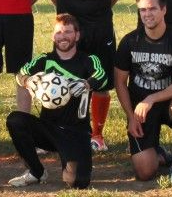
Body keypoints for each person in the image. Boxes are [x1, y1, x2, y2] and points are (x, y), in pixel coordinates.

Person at [43, 0, 125, 152]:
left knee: (100, 80)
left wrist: (97, 10)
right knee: (60, 77)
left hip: (100, 27)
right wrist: (69, 13)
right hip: (68, 28)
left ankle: (97, 135)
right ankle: (55, 134)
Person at [7, 13, 106, 189]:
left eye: (68, 32)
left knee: (77, 182)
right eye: (59, 32)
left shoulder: (88, 60)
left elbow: (102, 76)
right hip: (48, 129)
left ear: (77, 35)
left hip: (76, 132)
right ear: (53, 36)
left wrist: (87, 83)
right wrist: (28, 81)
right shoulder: (45, 60)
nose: (63, 36)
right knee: (15, 120)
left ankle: (72, 162)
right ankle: (36, 171)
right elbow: (21, 73)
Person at [114, 0, 172, 187]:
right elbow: (119, 83)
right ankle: (158, 154)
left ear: (164, 10)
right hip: (141, 111)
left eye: (152, 9)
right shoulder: (130, 41)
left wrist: (151, 98)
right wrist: (130, 116)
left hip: (168, 104)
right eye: (142, 9)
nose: (147, 14)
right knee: (145, 172)